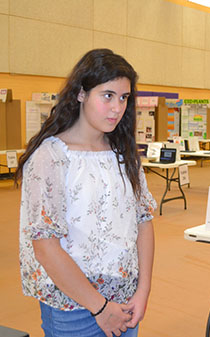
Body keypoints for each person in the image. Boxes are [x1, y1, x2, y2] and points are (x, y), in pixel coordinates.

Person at [16, 49, 156, 337]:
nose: (117, 108)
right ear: (81, 94)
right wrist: (100, 308)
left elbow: (143, 221)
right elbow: (45, 245)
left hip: (126, 302)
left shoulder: (123, 154)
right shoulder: (51, 157)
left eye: (124, 97)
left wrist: (143, 291)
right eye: (107, 95)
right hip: (73, 309)